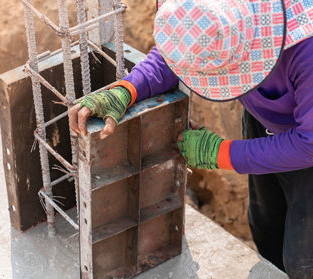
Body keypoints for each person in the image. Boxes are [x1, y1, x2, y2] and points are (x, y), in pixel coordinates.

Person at [69, 0, 313, 277]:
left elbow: (309, 143)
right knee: (265, 223)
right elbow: (181, 53)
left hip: (308, 144)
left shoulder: (307, 51)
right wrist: (127, 89)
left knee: (303, 260)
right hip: (268, 123)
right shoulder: (216, 14)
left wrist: (221, 153)